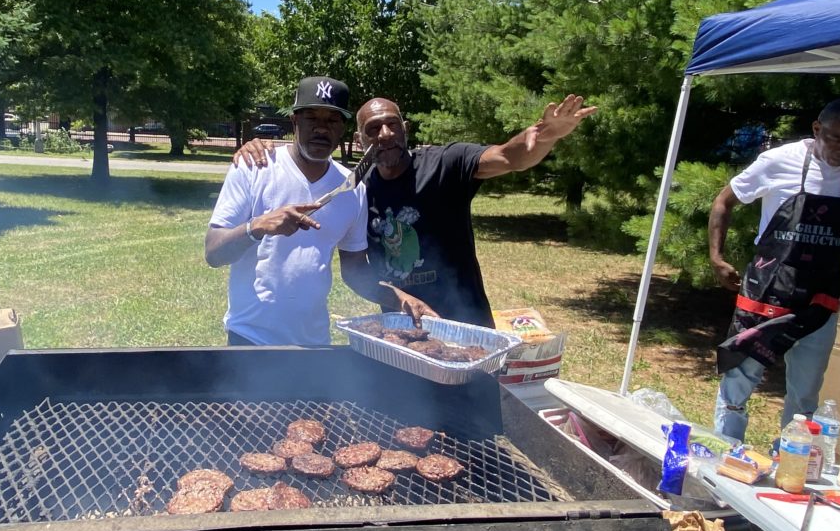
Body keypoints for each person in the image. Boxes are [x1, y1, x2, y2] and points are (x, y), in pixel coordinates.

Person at [237, 93, 596, 327]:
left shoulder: (445, 164)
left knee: (472, 435)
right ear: (360, 140)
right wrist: (260, 146)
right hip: (401, 335)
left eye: (392, 124)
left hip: (465, 325)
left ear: (405, 128)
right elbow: (354, 269)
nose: (385, 134)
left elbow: (508, 156)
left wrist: (546, 135)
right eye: (373, 129)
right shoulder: (357, 190)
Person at [205, 76, 430, 346]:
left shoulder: (352, 188)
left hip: (314, 343)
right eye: (312, 118)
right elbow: (213, 253)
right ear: (295, 122)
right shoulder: (254, 167)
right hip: (251, 338)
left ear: (343, 130)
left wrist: (400, 298)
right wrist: (259, 226)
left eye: (332, 120)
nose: (321, 129)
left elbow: (355, 269)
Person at [709, 99, 840, 442]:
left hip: (821, 299)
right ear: (817, 130)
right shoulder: (778, 161)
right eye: (835, 138)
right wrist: (717, 257)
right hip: (768, 291)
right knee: (739, 379)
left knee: (805, 396)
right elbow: (724, 200)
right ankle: (725, 453)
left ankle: (790, 462)